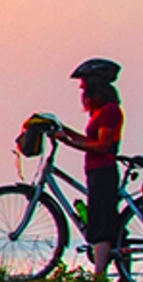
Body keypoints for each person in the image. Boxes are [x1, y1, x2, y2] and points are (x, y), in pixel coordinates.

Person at [38, 56, 127, 267]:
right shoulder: (100, 112)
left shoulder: (109, 111)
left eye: (84, 82)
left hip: (103, 170)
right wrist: (64, 130)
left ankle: (99, 278)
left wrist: (68, 143)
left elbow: (102, 146)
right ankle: (118, 274)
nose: (81, 87)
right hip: (95, 170)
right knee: (106, 221)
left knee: (101, 227)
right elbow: (90, 140)